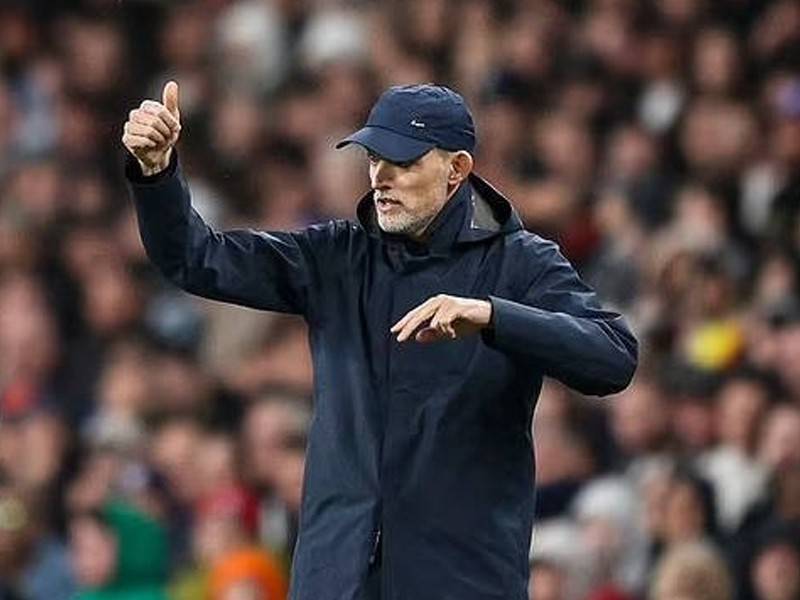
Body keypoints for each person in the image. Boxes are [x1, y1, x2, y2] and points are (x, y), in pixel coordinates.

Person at [122, 82, 637, 600]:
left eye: (403, 162)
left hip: (460, 582)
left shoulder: (520, 263)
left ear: (457, 168)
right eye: (374, 158)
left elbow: (613, 355)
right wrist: (157, 173)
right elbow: (196, 258)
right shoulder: (339, 256)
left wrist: (493, 315)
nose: (380, 177)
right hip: (336, 581)